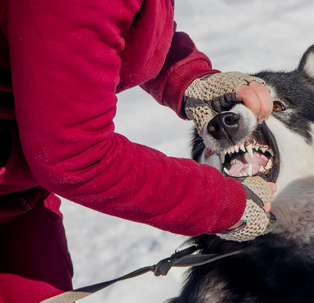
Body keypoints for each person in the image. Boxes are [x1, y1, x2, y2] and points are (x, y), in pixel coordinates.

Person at [0, 1, 275, 302]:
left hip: (18, 191)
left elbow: (114, 25)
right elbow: (78, 157)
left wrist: (189, 78)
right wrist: (226, 205)